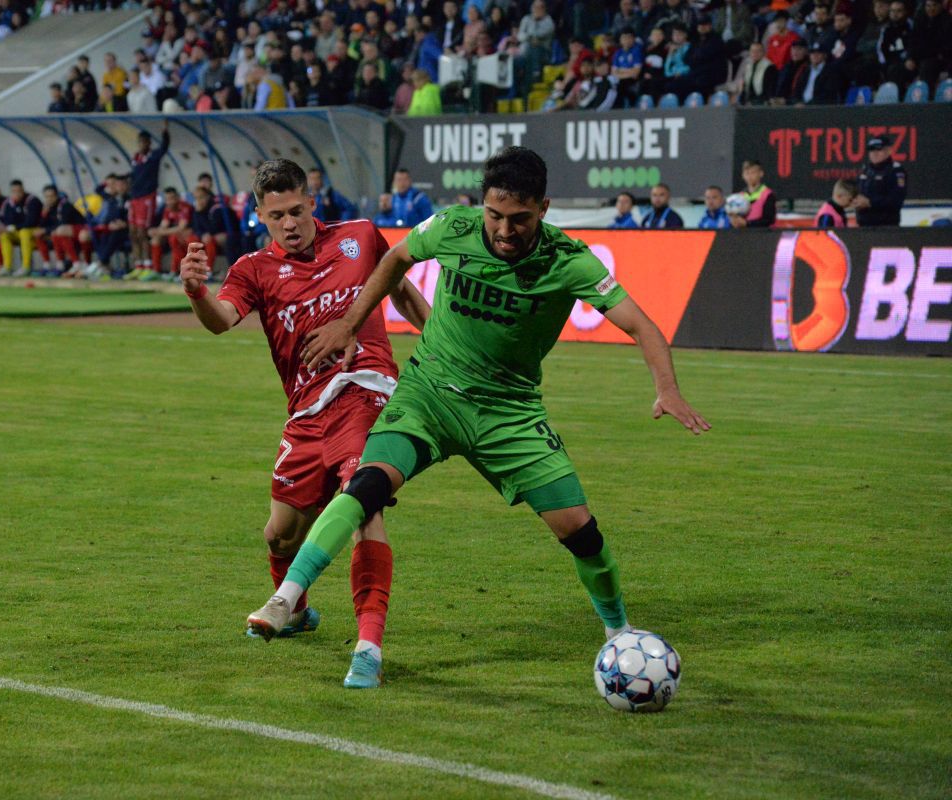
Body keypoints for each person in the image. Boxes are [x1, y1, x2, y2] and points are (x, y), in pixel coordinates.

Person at [246, 147, 710, 689]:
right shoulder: (451, 226)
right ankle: (285, 599)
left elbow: (643, 325)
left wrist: (667, 389)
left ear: (544, 208)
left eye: (520, 219)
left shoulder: (570, 261)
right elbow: (394, 260)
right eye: (495, 216)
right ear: (482, 205)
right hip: (429, 395)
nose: (505, 230)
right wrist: (352, 322)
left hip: (508, 414)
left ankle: (617, 630)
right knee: (365, 488)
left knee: (579, 531)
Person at [180, 159, 430, 688]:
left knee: (364, 507)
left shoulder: (360, 238)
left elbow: (401, 289)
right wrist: (199, 293)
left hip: (366, 391)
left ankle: (368, 647)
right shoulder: (253, 269)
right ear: (260, 216)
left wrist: (439, 336)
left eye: (297, 210)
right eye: (277, 216)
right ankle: (297, 612)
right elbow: (222, 321)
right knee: (279, 535)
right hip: (306, 413)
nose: (290, 223)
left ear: (312, 201)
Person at [128, 126, 171, 280]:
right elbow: (134, 176)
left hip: (147, 197)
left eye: (144, 142)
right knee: (133, 232)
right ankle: (138, 265)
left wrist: (165, 131)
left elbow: (165, 147)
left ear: (149, 143)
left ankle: (148, 265)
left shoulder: (154, 156)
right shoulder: (135, 158)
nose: (142, 145)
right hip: (134, 198)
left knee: (142, 231)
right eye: (139, 142)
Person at [854, 137, 906, 227]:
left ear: (889, 151)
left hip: (886, 228)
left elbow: (896, 201)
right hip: (863, 226)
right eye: (871, 150)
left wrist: (870, 202)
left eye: (878, 149)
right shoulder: (865, 170)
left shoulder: (895, 171)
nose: (874, 153)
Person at [0, 180, 42, 277]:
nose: (16, 193)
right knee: (4, 235)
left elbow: (31, 222)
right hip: (18, 233)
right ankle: (7, 267)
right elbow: (6, 221)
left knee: (24, 232)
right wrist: (14, 206)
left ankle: (26, 267)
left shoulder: (32, 200)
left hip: (34, 232)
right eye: (13, 191)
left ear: (23, 190)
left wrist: (13, 227)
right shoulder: (8, 203)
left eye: (18, 191)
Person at [148, 186, 194, 277]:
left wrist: (159, 232)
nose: (169, 202)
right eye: (167, 199)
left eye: (172, 198)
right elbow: (163, 225)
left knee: (173, 238)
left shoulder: (185, 207)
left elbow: (181, 227)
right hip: (175, 235)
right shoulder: (167, 209)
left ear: (177, 198)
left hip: (189, 234)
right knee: (156, 239)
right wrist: (155, 231)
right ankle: (156, 271)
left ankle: (175, 271)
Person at [730, 160, 776, 228]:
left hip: (762, 235)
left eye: (753, 172)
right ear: (743, 175)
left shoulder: (768, 194)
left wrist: (747, 223)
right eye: (747, 173)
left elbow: (769, 220)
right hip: (743, 234)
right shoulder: (740, 196)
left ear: (761, 174)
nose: (750, 176)